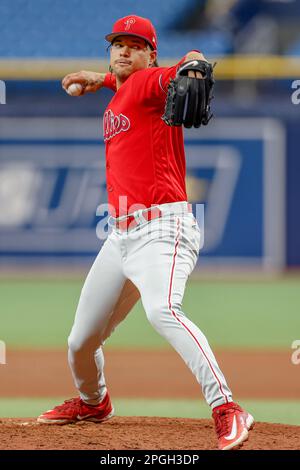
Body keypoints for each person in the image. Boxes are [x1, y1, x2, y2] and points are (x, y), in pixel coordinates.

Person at [37, 15, 254, 450]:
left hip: (163, 228)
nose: (123, 50)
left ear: (150, 54)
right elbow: (127, 86)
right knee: (80, 341)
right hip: (120, 236)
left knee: (163, 311)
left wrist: (193, 60)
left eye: (135, 45)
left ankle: (228, 407)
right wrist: (100, 80)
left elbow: (180, 71)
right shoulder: (125, 91)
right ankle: (93, 401)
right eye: (117, 44)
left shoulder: (153, 81)